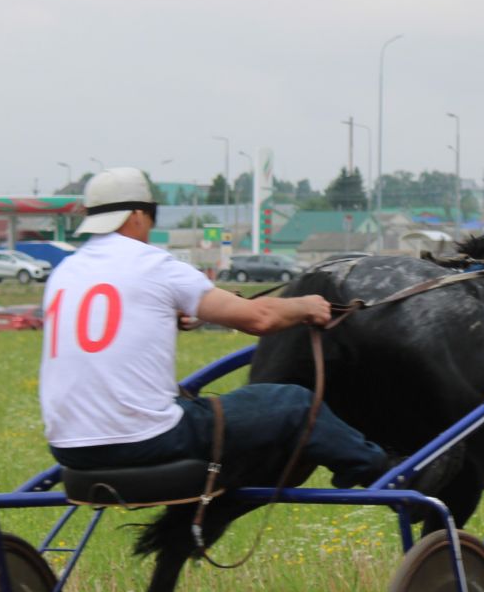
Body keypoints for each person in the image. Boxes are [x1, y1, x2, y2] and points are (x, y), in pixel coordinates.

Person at [41, 167, 392, 490]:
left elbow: (114, 322)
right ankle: (381, 471)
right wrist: (306, 306)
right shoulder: (154, 265)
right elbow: (260, 319)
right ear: (136, 215)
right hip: (148, 440)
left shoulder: (64, 272)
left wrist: (172, 316)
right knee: (295, 402)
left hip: (69, 449)